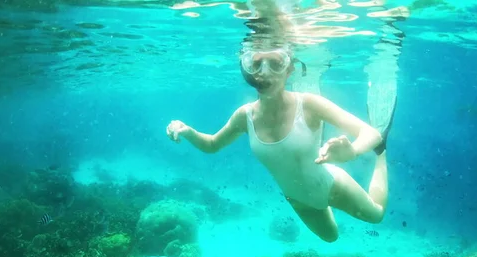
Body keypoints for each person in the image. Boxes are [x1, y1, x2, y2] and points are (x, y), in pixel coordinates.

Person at [166, 44, 389, 243]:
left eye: (275, 63)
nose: (264, 72)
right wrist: (188, 131)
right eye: (256, 64)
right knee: (330, 237)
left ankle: (382, 155)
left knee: (376, 215)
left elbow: (370, 134)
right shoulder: (245, 116)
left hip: (331, 187)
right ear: (247, 70)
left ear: (289, 68)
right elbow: (212, 145)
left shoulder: (309, 104)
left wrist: (351, 153)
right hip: (297, 199)